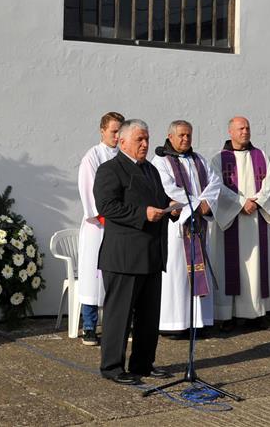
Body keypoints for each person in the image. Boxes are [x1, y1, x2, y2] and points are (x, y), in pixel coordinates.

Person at [94, 119, 179, 385]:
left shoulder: (151, 170)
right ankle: (112, 367)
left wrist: (171, 207)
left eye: (147, 139)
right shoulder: (110, 170)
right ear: (122, 141)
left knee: (148, 316)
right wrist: (142, 214)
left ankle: (143, 363)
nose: (145, 144)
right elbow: (107, 206)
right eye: (139, 140)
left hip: (151, 254)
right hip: (124, 256)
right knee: (119, 316)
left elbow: (160, 200)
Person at [208, 116, 270, 331]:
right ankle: (228, 315)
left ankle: (257, 314)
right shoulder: (219, 160)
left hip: (257, 220)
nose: (245, 132)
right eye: (240, 128)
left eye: (248, 128)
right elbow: (216, 188)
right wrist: (240, 203)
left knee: (258, 267)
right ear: (230, 132)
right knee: (230, 266)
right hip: (231, 222)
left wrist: (256, 202)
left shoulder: (262, 157)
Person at [151, 120, 222, 336]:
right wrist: (195, 204)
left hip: (198, 226)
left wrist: (205, 203)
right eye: (181, 135)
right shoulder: (161, 161)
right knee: (176, 274)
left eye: (189, 135)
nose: (185, 139)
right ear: (170, 136)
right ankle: (173, 323)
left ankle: (198, 322)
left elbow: (215, 182)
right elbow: (167, 188)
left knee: (197, 271)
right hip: (176, 228)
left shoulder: (199, 159)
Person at [77, 111, 124, 346]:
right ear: (102, 130)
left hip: (122, 226)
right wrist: (104, 217)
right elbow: (89, 190)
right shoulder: (92, 157)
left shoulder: (127, 156)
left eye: (120, 131)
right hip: (99, 225)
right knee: (93, 278)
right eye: (113, 131)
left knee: (119, 276)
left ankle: (118, 326)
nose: (117, 136)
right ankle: (89, 326)